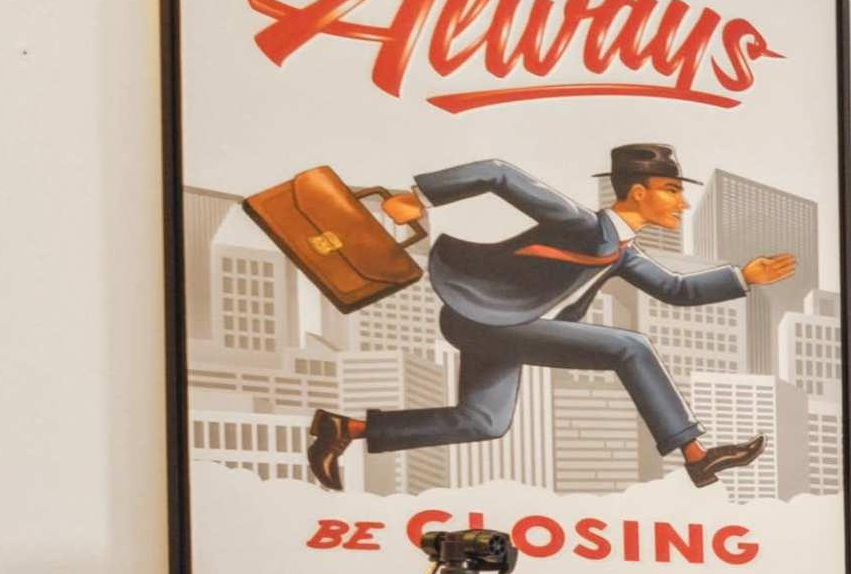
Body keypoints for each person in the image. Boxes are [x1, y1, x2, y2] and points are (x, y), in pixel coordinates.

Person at [302, 141, 793, 491]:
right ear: (638, 192)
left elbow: (676, 290)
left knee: (483, 421)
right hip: (482, 317)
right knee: (631, 347)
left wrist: (744, 276)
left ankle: (344, 429)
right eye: (671, 190)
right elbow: (499, 172)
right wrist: (419, 196)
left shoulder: (623, 252)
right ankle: (697, 457)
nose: (682, 203)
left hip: (509, 329)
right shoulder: (580, 223)